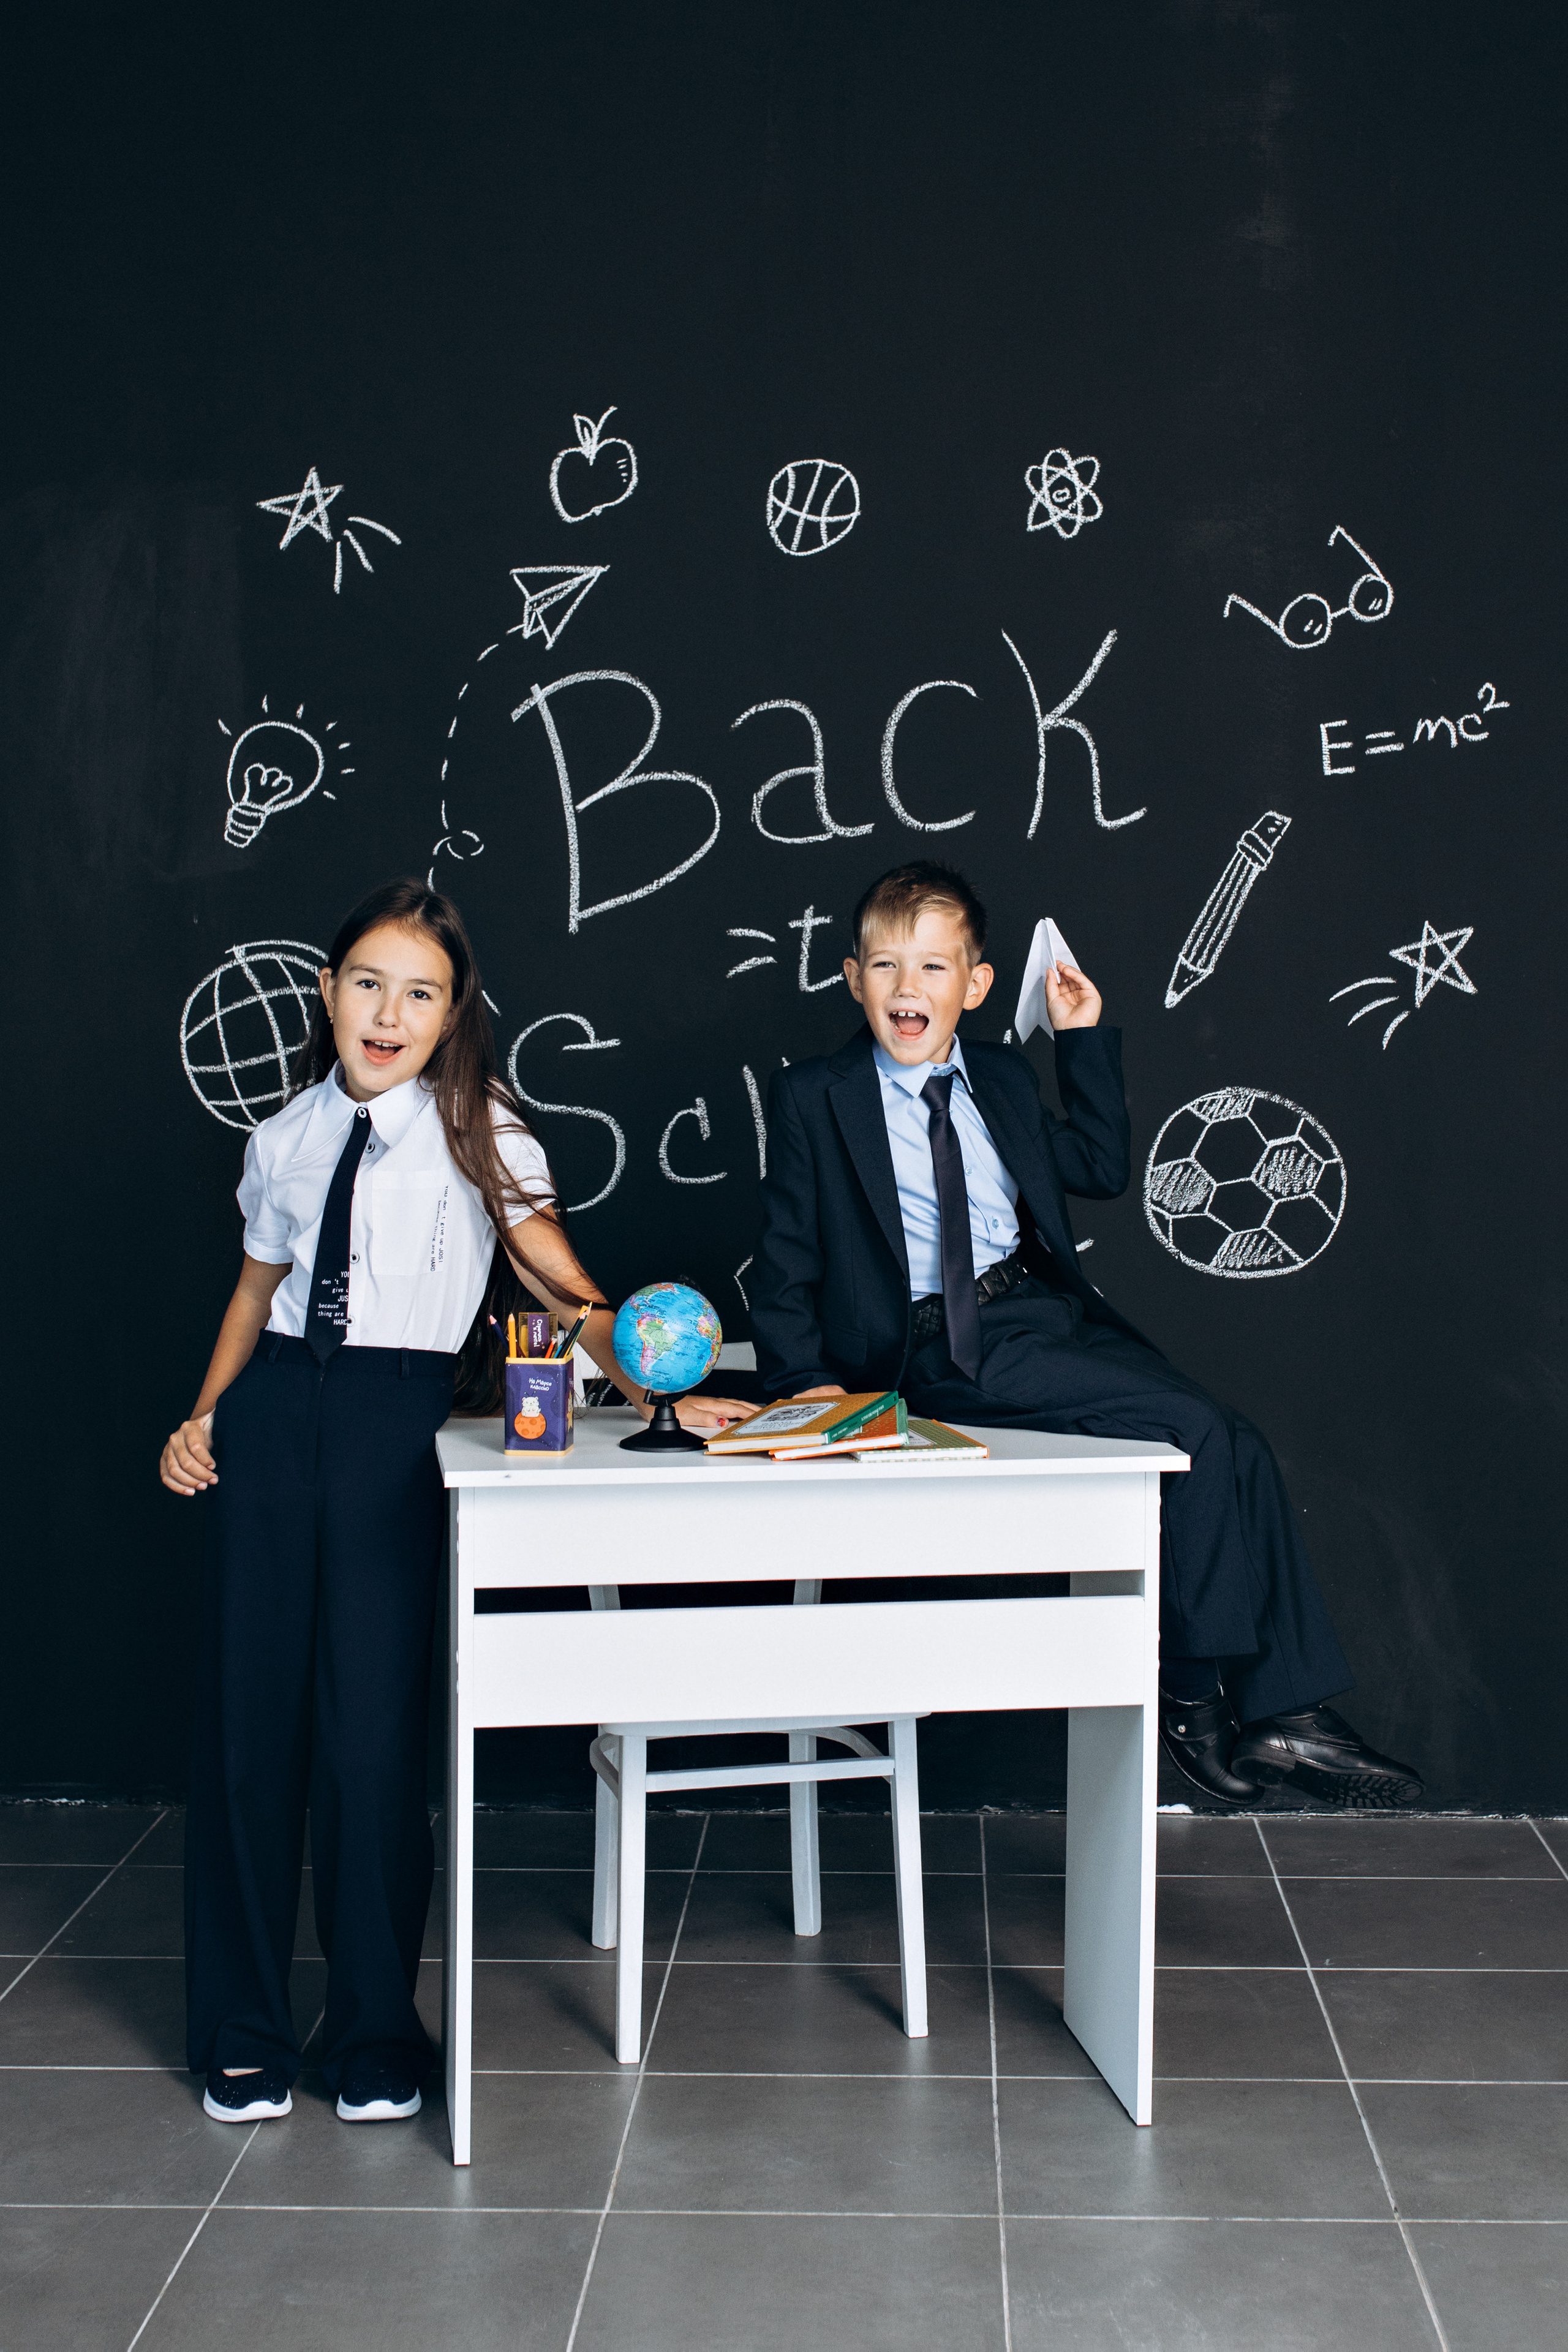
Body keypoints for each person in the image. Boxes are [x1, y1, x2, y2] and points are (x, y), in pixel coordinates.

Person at [160, 877, 754, 2127]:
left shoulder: (488, 1133)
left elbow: (570, 1287)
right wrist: (202, 1417)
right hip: (266, 1420)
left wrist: (660, 1385)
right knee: (243, 1735)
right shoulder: (281, 1139)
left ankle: (376, 2033)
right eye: (367, 983)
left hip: (395, 1428)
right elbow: (251, 1290)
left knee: (372, 1744)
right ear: (327, 995)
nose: (388, 1012)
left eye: (418, 993)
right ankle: (241, 2031)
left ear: (450, 1013)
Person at [748, 860, 1423, 1811]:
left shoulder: (1001, 1079)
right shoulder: (817, 1095)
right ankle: (1201, 1704)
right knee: (1197, 1434)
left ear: (975, 987)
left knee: (1230, 1438)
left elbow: (1102, 1167)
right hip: (936, 1342)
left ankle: (1276, 1713)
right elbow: (785, 1260)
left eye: (935, 970)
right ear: (853, 979)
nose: (910, 989)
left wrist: (1079, 1039)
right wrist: (804, 1383)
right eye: (887, 967)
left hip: (1034, 1315)